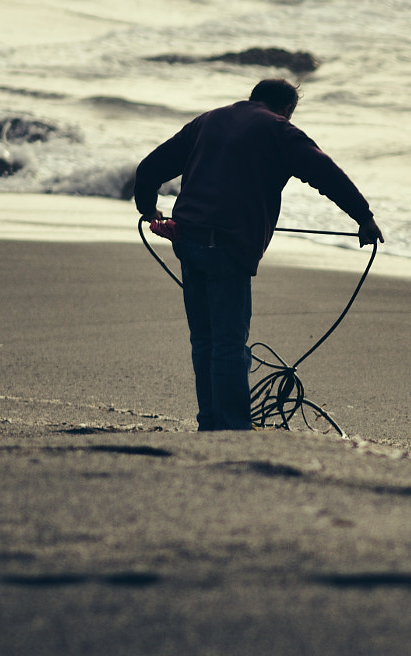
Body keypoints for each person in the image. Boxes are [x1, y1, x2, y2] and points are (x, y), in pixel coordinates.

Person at [133, 77, 382, 431]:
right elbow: (325, 174)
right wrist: (364, 217)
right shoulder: (280, 130)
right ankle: (233, 427)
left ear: (254, 97)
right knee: (230, 343)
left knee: (204, 339)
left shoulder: (209, 120)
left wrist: (148, 208)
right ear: (287, 110)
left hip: (188, 239)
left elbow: (149, 168)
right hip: (227, 247)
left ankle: (211, 421)